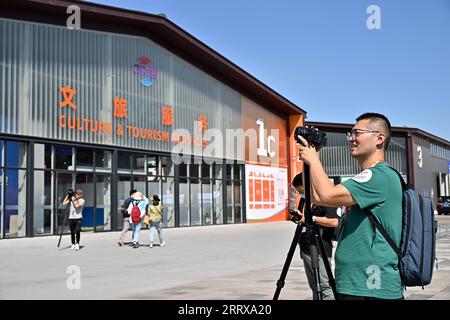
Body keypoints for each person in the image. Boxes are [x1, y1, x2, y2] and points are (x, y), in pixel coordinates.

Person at [297, 112, 403, 300]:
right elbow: (315, 196)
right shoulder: (368, 177)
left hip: (371, 286)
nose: (351, 139)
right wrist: (309, 161)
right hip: (356, 284)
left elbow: (327, 195)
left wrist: (314, 160)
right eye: (350, 134)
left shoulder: (379, 176)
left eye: (357, 133)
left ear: (379, 138)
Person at [290, 173, 339, 300]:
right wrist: (299, 218)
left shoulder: (324, 200)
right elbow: (304, 219)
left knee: (324, 284)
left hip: (321, 247)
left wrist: (312, 218)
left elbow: (334, 221)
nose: (298, 192)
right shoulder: (305, 200)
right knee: (314, 285)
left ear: (306, 185)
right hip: (306, 246)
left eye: (299, 189)